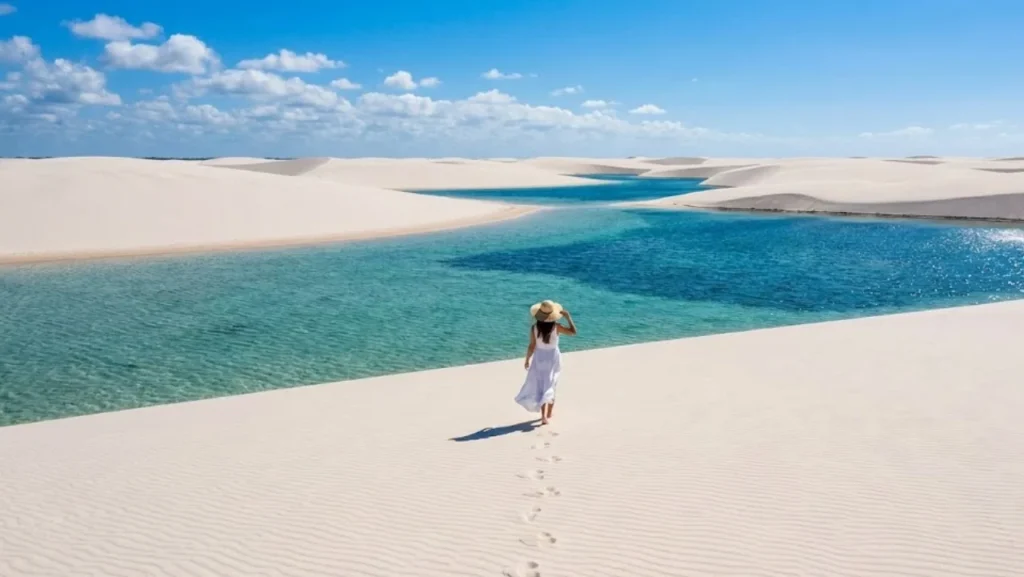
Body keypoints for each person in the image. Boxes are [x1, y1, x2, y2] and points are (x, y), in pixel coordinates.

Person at [515, 300, 577, 425]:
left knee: (542, 384)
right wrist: (568, 317)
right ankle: (548, 413)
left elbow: (532, 346)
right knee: (552, 383)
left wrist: (527, 359)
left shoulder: (534, 328)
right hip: (553, 357)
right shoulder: (556, 327)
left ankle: (544, 415)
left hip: (539, 358)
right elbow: (573, 332)